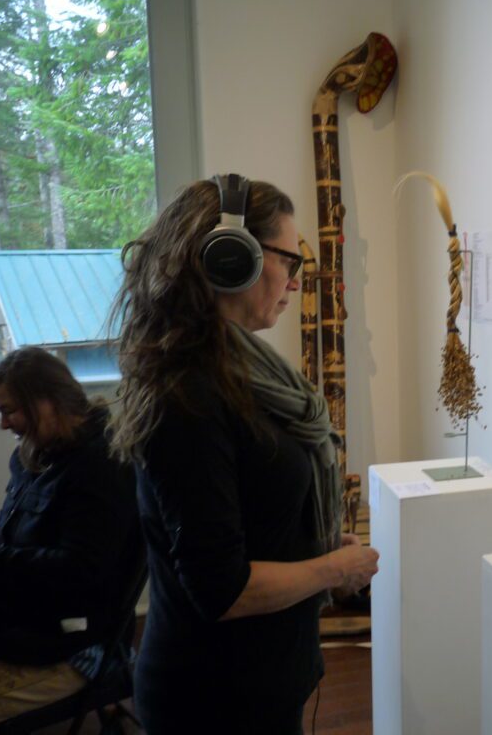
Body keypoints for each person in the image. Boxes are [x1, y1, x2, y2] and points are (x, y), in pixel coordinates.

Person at [110, 176, 379, 734]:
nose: (296, 281)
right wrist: (332, 567)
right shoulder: (187, 395)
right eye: (290, 259)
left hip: (263, 677)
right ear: (231, 260)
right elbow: (221, 590)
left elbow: (253, 505)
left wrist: (321, 548)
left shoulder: (242, 372)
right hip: (215, 697)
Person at [0, 347, 137, 731]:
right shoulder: (37, 452)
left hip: (67, 645)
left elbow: (77, 570)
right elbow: (11, 532)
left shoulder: (102, 466)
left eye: (9, 410)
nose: (3, 423)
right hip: (16, 622)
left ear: (46, 403)